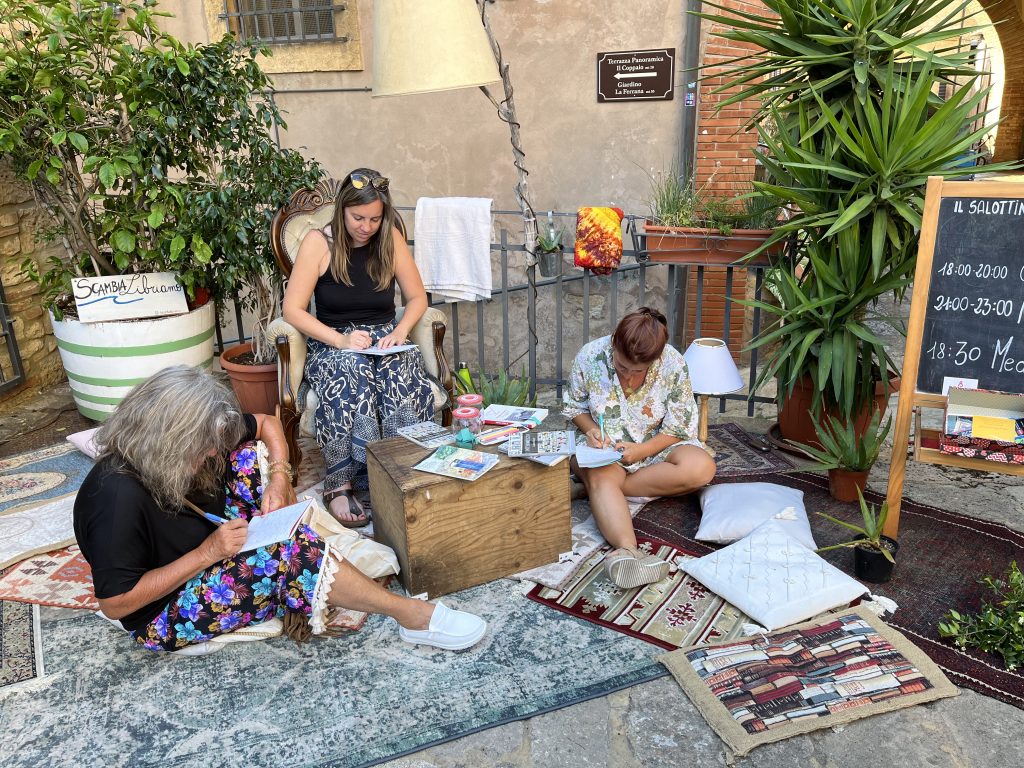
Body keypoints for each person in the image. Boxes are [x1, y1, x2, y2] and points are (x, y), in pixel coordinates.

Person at [73, 366, 486, 653]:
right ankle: (411, 616)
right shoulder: (114, 499)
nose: (213, 451)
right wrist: (208, 554)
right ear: (169, 439)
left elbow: (268, 426)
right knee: (287, 553)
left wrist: (279, 478)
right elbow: (116, 604)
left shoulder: (186, 443)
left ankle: (301, 570)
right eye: (201, 445)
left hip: (207, 539)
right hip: (165, 609)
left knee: (246, 458)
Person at [283, 168, 435, 528]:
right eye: (358, 218)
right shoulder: (318, 243)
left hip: (385, 337)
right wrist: (340, 341)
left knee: (400, 370)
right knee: (350, 368)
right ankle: (340, 483)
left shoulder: (389, 238)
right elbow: (292, 309)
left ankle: (401, 472)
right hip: (333, 340)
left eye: (374, 219)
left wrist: (400, 331)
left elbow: (418, 298)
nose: (366, 227)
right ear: (342, 210)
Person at [563, 307, 716, 588]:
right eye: (621, 367)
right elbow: (574, 408)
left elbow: (679, 427)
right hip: (603, 450)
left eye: (638, 371)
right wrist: (591, 430)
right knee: (600, 472)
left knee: (702, 467)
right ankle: (629, 552)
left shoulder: (673, 364)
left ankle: (602, 491)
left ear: (656, 359)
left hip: (656, 445)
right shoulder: (590, 355)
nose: (629, 377)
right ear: (613, 344)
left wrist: (642, 450)